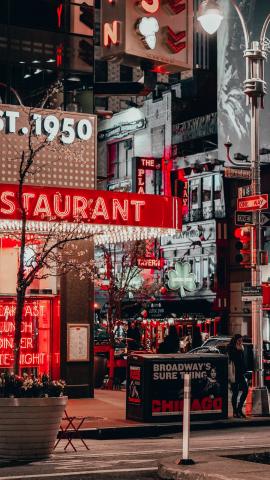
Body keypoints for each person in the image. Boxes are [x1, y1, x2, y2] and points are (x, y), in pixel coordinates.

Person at [227, 334, 249, 418]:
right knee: (235, 392)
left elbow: (242, 360)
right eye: (239, 340)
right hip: (234, 373)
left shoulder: (241, 347)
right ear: (235, 340)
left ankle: (239, 408)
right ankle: (235, 412)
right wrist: (238, 350)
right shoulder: (231, 347)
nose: (240, 342)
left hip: (240, 373)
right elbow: (232, 358)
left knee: (245, 390)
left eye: (241, 340)